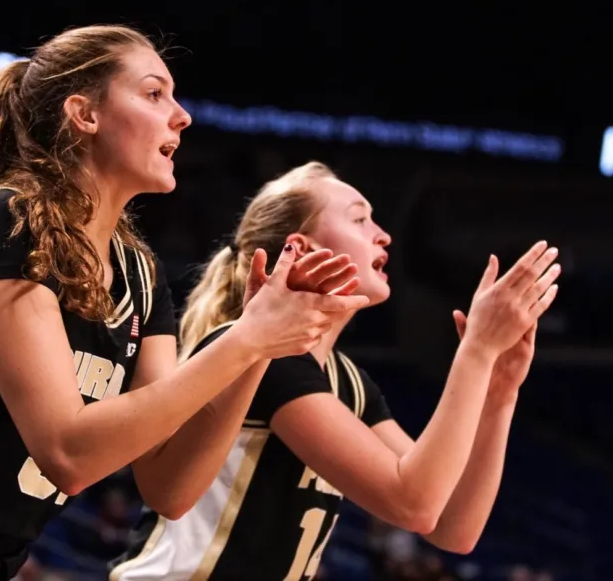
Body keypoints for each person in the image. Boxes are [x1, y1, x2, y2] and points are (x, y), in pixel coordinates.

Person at [0, 29, 370, 581]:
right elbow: (67, 452)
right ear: (84, 114)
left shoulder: (141, 274)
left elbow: (169, 484)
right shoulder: (7, 221)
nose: (182, 116)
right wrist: (244, 339)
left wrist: (257, 347)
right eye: (154, 93)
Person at [111, 162, 560, 581]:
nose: (383, 235)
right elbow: (413, 504)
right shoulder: (263, 354)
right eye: (360, 220)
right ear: (300, 247)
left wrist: (500, 393)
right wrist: (476, 352)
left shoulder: (347, 381)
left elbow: (451, 527)